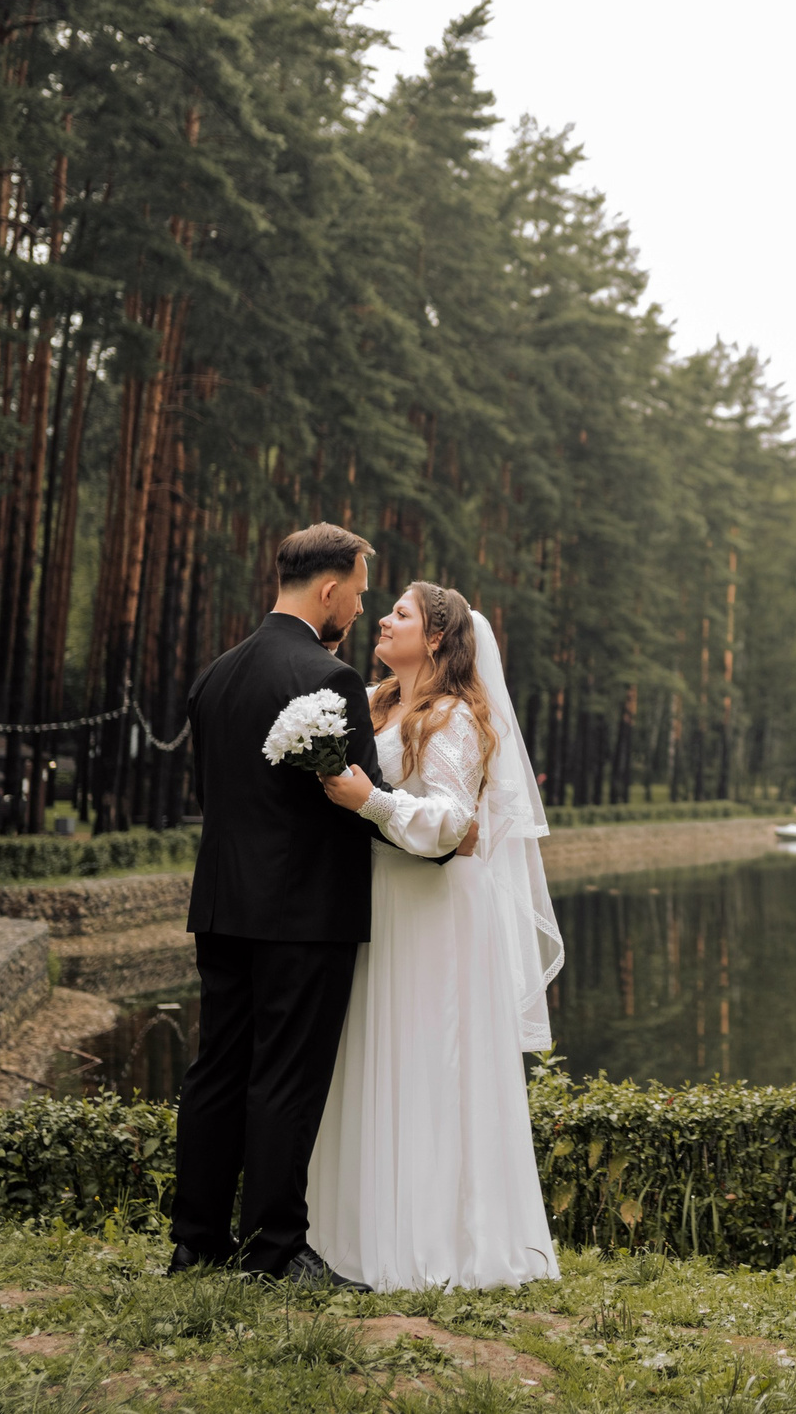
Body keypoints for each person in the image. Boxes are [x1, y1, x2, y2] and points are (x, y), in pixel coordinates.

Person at [311, 580, 563, 1289]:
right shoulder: (379, 701)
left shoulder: (452, 715)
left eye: (401, 613)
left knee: (430, 1056)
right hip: (385, 903)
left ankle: (437, 1242)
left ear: (437, 639)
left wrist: (370, 799)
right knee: (375, 1052)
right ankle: (354, 1232)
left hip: (433, 909)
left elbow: (452, 819)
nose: (383, 620)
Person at [170, 523, 403, 1286]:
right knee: (285, 1079)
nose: (360, 613)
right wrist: (431, 823)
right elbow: (359, 796)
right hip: (303, 914)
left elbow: (221, 796)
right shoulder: (326, 679)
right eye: (359, 595)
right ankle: (274, 1252)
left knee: (217, 1071)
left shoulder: (216, 673)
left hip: (223, 904)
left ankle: (196, 1244)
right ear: (328, 588)